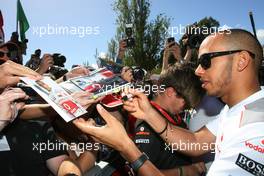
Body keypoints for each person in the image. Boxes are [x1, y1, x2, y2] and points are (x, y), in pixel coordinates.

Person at [73, 29, 264, 176]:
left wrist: (125, 146)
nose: (197, 71)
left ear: (241, 61)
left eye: (206, 61)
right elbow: (195, 142)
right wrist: (149, 113)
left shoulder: (257, 127)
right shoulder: (237, 110)